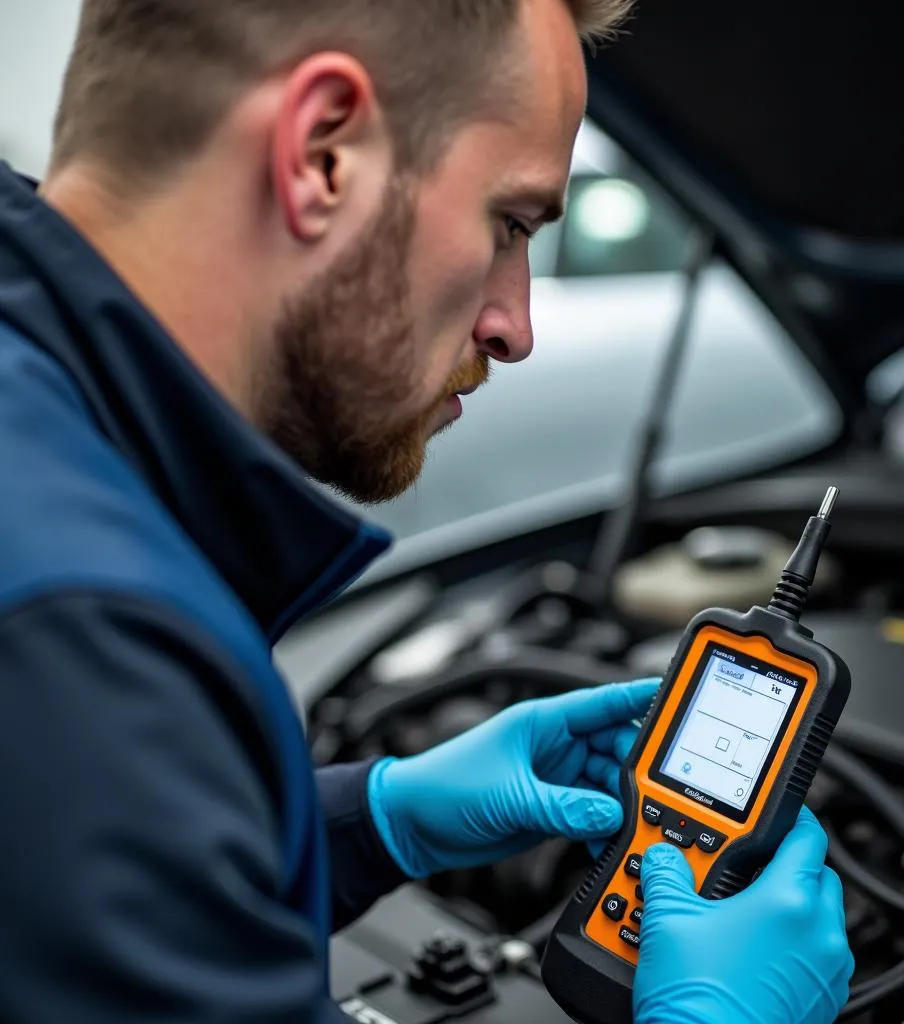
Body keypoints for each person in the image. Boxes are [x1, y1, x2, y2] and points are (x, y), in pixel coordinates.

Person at [0, 0, 854, 1021]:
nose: (515, 325)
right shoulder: (87, 644)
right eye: (510, 223)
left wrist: (370, 823)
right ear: (321, 152)